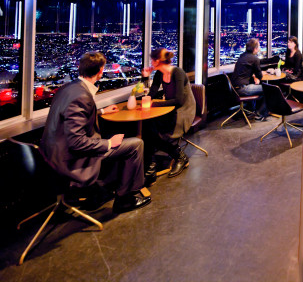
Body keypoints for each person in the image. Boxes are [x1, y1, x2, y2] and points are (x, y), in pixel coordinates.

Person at [40, 52, 150, 214]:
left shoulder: (69, 88)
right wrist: (109, 143)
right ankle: (125, 199)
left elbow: (72, 116)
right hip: (70, 160)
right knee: (135, 145)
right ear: (100, 71)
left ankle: (101, 192)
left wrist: (102, 111)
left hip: (51, 154)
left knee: (113, 142)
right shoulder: (81, 96)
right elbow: (77, 142)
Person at [141, 48, 196, 179]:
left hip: (184, 110)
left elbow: (179, 101)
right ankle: (151, 166)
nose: (151, 62)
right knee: (148, 128)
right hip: (170, 108)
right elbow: (151, 93)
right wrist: (145, 77)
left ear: (157, 61)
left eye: (152, 60)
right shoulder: (159, 73)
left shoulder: (178, 73)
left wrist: (153, 104)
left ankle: (180, 157)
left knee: (154, 131)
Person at [231, 38, 269, 121]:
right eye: (258, 47)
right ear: (255, 49)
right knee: (268, 89)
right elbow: (260, 75)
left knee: (261, 91)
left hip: (234, 88)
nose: (259, 48)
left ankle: (252, 109)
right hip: (243, 88)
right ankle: (260, 114)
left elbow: (247, 70)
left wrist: (254, 76)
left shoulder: (242, 56)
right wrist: (260, 75)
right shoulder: (255, 59)